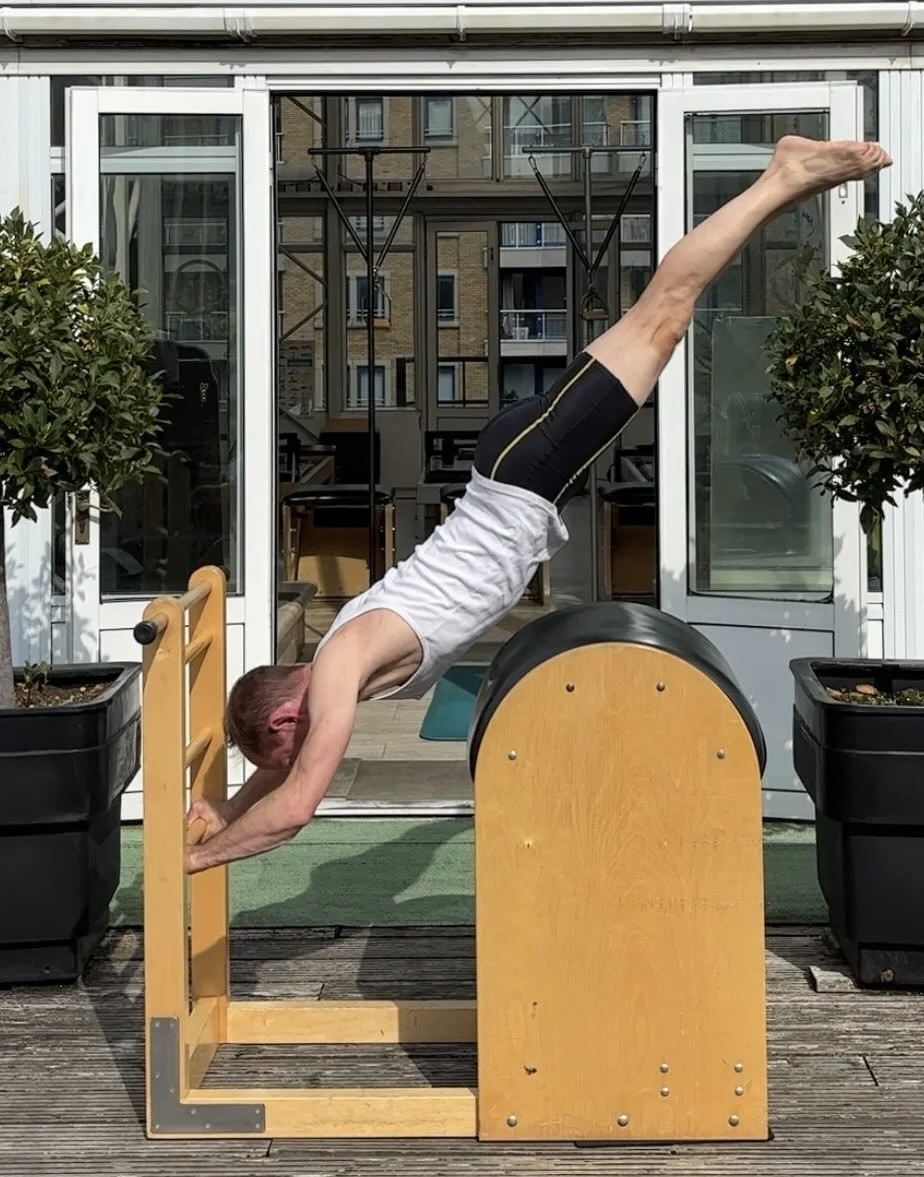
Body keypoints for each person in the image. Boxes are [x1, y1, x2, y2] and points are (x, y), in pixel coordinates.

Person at [185, 134, 890, 874]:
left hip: (523, 473)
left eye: (292, 743)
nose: (303, 755)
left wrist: (196, 862)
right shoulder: (330, 673)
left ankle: (782, 175)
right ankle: (787, 186)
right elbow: (283, 774)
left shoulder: (337, 669)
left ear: (288, 714)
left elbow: (298, 805)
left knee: (664, 315)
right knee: (660, 319)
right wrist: (227, 808)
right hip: (517, 470)